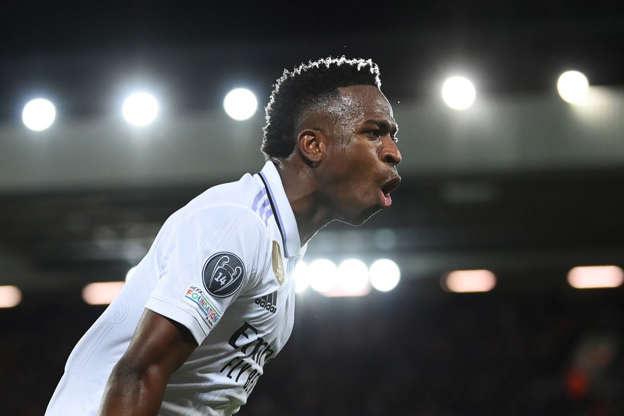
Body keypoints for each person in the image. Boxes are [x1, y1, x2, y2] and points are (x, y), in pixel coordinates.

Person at [45, 56, 402, 416]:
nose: (393, 152)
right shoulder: (239, 223)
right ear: (313, 145)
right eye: (374, 133)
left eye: (392, 136)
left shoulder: (282, 247)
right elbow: (139, 373)